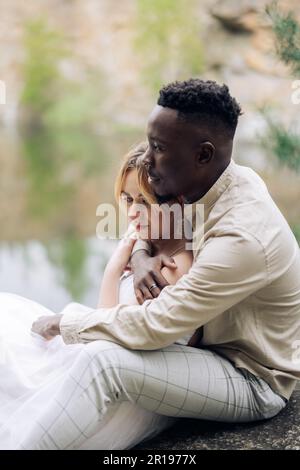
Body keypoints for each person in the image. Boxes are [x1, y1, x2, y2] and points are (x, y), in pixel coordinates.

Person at [31, 79, 300, 450]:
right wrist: (141, 253)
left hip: (250, 377)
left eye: (158, 148)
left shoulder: (243, 238)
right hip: (205, 351)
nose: (146, 160)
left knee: (102, 362)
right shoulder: (217, 183)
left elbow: (157, 325)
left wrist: (67, 323)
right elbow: (163, 216)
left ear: (203, 155)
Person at [0, 142, 194, 450]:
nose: (132, 212)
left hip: (122, 388)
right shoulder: (152, 243)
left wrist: (117, 264)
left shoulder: (173, 269)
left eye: (143, 201)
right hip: (103, 356)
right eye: (127, 199)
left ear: (177, 202)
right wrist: (126, 257)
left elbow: (110, 332)